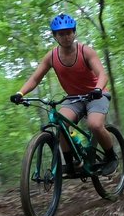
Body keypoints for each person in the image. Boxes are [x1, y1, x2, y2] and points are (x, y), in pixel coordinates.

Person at [10, 13, 118, 176]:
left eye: (69, 32)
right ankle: (70, 164)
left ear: (74, 33)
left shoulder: (86, 52)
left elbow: (102, 74)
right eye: (61, 34)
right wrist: (20, 92)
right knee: (60, 125)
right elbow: (35, 78)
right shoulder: (51, 57)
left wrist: (97, 89)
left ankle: (111, 157)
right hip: (74, 98)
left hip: (97, 94)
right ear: (55, 36)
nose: (66, 37)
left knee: (95, 125)